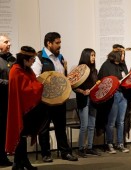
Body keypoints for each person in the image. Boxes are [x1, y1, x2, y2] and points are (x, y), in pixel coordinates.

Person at [31, 32, 78, 162]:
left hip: (59, 100)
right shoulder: (39, 58)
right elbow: (35, 78)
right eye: (57, 43)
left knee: (60, 127)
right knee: (44, 128)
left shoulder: (60, 57)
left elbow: (62, 77)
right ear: (49, 43)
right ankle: (46, 154)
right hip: (45, 100)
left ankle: (65, 152)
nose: (59, 46)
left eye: (60, 43)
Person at [6, 46, 46, 170]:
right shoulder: (15, 70)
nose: (34, 61)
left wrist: (38, 86)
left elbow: (32, 83)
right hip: (20, 109)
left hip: (29, 109)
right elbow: (24, 90)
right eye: (32, 59)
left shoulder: (28, 70)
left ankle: (20, 163)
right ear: (25, 59)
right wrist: (40, 87)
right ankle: (20, 163)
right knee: (20, 135)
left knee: (23, 136)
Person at [98, 44, 130, 154]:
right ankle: (109, 143)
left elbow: (126, 77)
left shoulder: (123, 65)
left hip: (123, 95)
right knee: (111, 121)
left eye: (124, 54)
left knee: (121, 121)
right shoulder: (106, 65)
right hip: (113, 95)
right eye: (122, 54)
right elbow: (102, 81)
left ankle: (120, 143)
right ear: (116, 54)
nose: (123, 56)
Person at [74, 48, 101, 157]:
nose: (94, 57)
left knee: (92, 125)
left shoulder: (95, 70)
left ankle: (90, 147)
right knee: (84, 125)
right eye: (91, 55)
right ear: (86, 56)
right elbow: (73, 86)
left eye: (94, 55)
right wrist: (82, 91)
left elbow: (95, 84)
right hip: (83, 100)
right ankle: (81, 148)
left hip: (93, 100)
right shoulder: (79, 70)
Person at [0, 35, 15, 166]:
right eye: (5, 42)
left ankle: (3, 157)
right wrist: (9, 83)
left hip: (10, 101)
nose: (9, 44)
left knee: (5, 130)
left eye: (9, 41)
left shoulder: (12, 59)